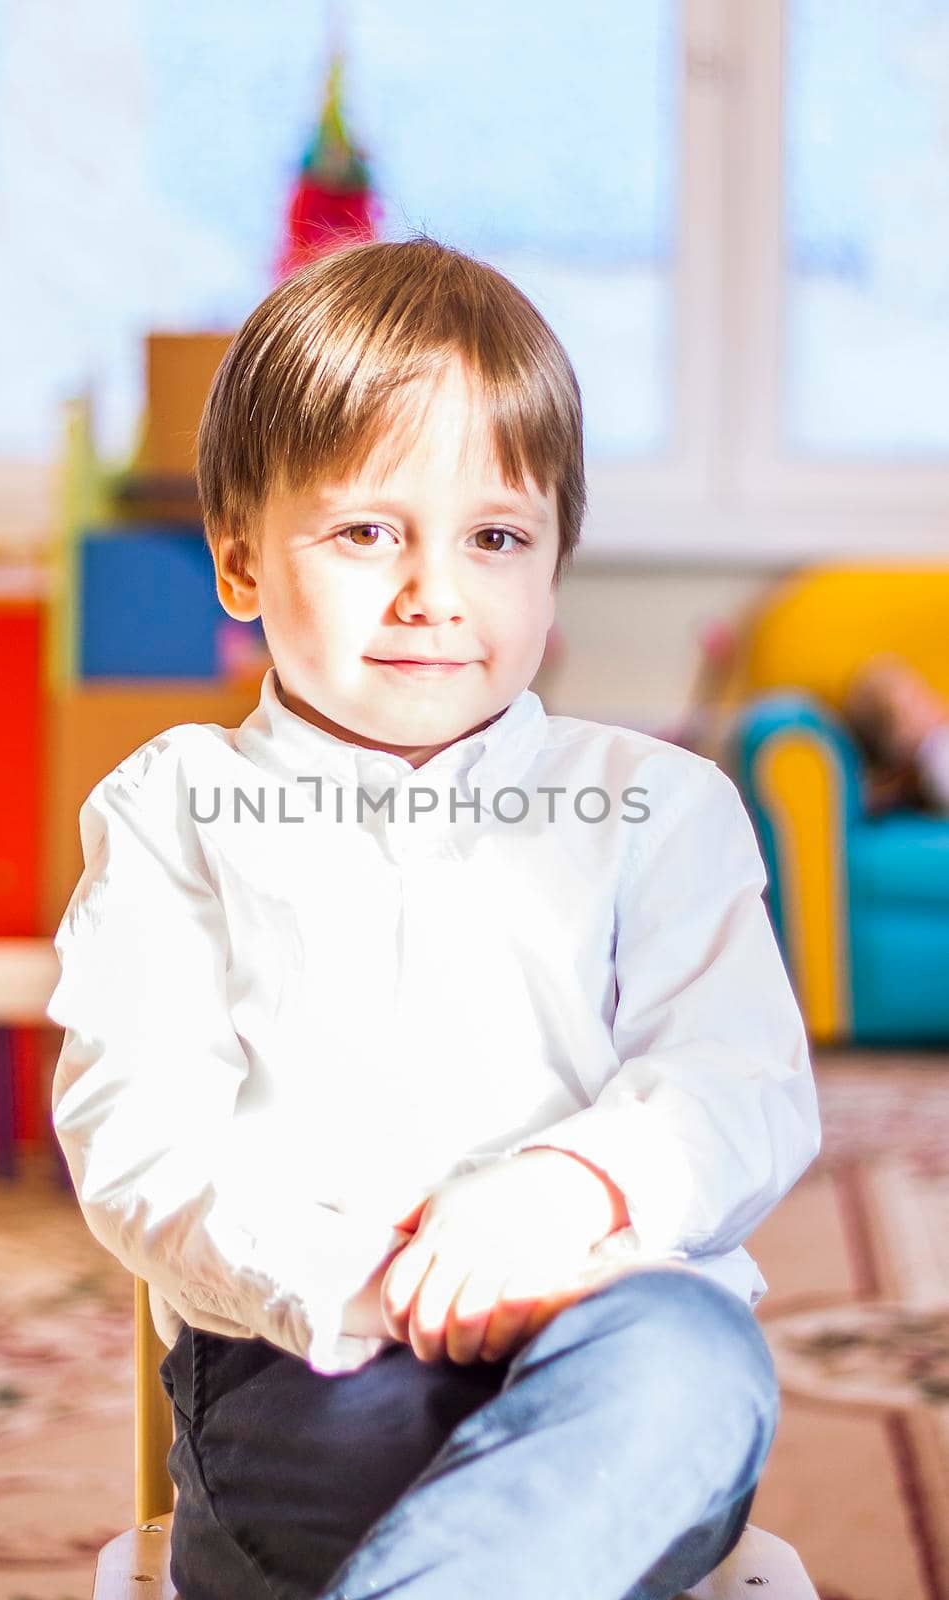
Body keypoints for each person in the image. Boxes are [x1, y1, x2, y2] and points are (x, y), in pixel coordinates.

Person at [48, 235, 822, 1600]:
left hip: (607, 1347)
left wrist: (568, 1191)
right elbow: (138, 1138)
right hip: (313, 1368)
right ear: (237, 562)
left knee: (697, 1365)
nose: (432, 592)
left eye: (494, 538)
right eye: (363, 532)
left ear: (551, 566)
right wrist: (374, 1280)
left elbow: (738, 1089)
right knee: (374, 1464)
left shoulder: (660, 805)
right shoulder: (170, 809)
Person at [844, 653, 949, 816]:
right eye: (916, 701)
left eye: (924, 690)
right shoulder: (936, 760)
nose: (931, 700)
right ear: (900, 741)